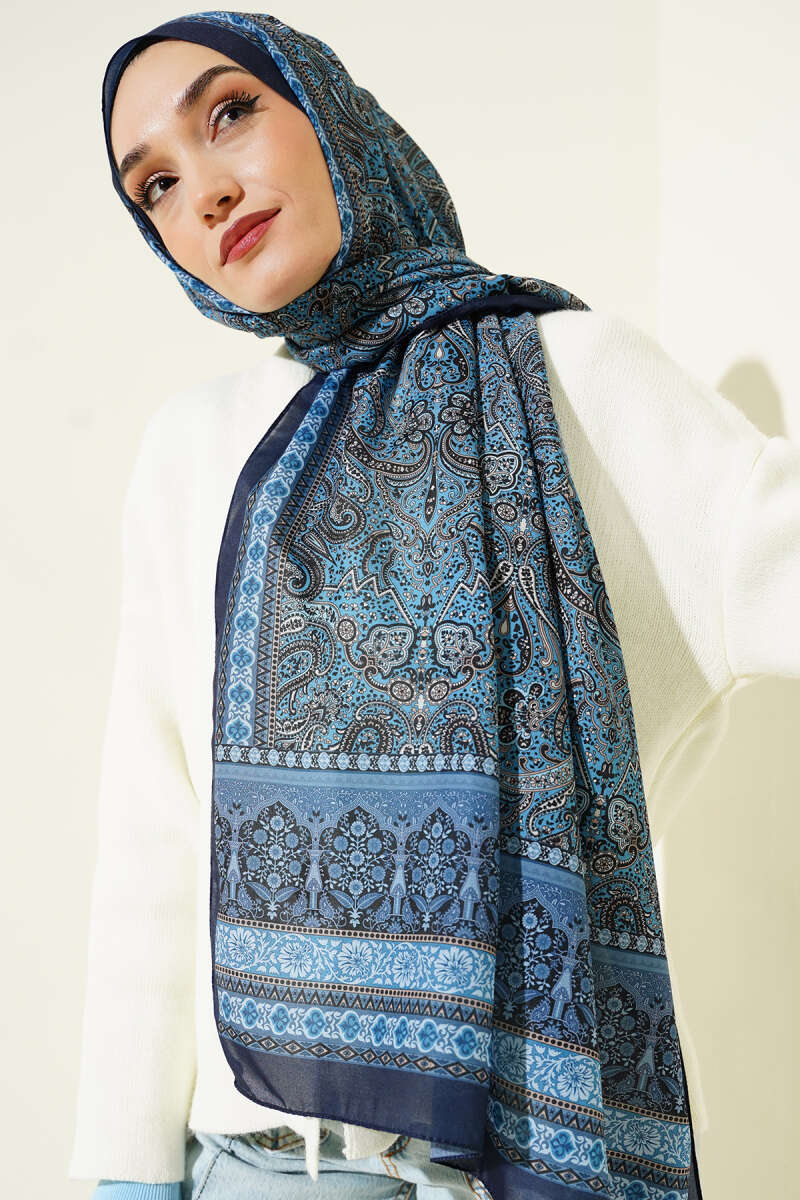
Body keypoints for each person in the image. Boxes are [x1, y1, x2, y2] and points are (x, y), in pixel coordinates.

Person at [67, 10, 799, 1200]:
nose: (204, 190)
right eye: (154, 184)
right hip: (268, 1171)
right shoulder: (192, 451)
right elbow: (152, 833)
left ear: (332, 115)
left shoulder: (574, 379)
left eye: (230, 113)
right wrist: (126, 1175)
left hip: (544, 1150)